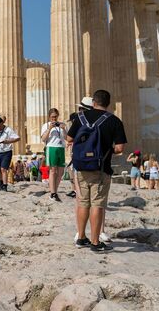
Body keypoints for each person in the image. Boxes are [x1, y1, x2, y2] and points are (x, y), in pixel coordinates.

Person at [66, 90, 126, 252]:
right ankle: (95, 242)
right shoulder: (114, 121)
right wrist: (106, 150)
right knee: (97, 204)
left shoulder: (80, 118)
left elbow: (69, 139)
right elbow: (120, 148)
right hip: (101, 167)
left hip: (81, 166)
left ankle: (81, 237)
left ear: (93, 102)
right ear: (108, 103)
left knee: (83, 202)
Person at [41, 108, 68, 201]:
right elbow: (43, 139)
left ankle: (55, 191)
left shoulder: (62, 125)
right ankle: (52, 193)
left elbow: (67, 138)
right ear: (49, 117)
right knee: (53, 171)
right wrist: (49, 129)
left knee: (60, 172)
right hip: (51, 148)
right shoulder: (46, 125)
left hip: (61, 148)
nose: (54, 119)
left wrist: (64, 129)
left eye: (55, 117)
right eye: (52, 117)